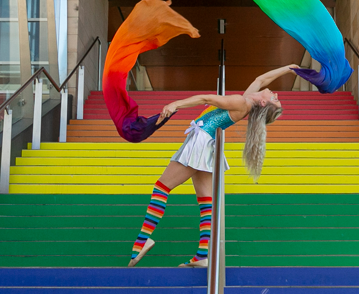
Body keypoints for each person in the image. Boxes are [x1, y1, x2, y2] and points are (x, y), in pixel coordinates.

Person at [128, 64, 299, 268]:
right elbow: (261, 79)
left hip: (201, 141)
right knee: (205, 202)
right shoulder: (246, 102)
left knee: (162, 187)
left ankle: (142, 240)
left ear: (262, 102)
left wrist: (176, 104)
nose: (276, 94)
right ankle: (202, 255)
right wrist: (289, 69)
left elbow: (207, 99)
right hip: (208, 146)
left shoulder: (239, 102)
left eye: (275, 99)